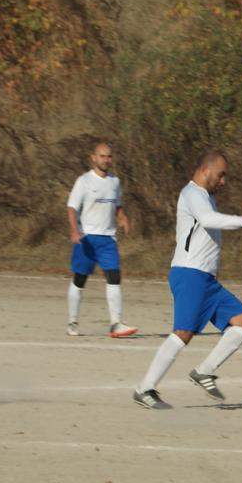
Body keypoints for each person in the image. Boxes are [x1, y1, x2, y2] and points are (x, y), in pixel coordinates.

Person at [132, 151, 242, 409]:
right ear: (205, 170)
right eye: (221, 175)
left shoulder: (205, 196)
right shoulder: (193, 194)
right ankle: (144, 389)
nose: (223, 181)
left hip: (206, 279)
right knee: (183, 333)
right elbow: (208, 220)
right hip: (189, 273)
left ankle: (204, 371)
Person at [65, 142, 138, 338]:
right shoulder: (84, 181)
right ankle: (72, 321)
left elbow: (117, 205)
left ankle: (116, 323)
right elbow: (72, 207)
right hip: (87, 238)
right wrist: (74, 231)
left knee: (114, 278)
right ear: (93, 157)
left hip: (108, 239)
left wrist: (122, 218)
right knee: (80, 280)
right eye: (102, 156)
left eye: (109, 156)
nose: (106, 160)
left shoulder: (115, 181)